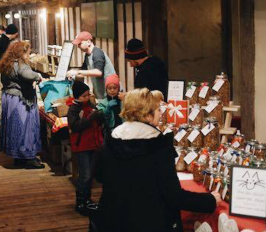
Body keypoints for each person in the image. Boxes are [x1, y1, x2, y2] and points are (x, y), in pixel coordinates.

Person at [93, 88, 219, 232]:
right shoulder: (158, 147)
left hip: (113, 220)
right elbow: (173, 196)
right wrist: (210, 200)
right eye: (158, 110)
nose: (161, 113)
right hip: (149, 222)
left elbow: (100, 176)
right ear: (147, 115)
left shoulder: (111, 141)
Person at [0, 41, 44, 169]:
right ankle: (28, 158)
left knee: (15, 128)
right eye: (27, 53)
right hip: (20, 100)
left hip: (9, 98)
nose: (28, 55)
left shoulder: (7, 63)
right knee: (26, 128)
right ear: (21, 52)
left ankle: (18, 158)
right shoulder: (20, 64)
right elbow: (27, 74)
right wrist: (38, 76)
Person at [67, 81, 104, 216]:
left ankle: (87, 200)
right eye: (84, 96)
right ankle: (81, 202)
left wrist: (100, 116)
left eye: (88, 95)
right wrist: (90, 118)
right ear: (77, 97)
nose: (87, 98)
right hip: (82, 146)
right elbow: (75, 126)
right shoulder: (74, 109)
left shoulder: (89, 105)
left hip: (93, 144)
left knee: (90, 175)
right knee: (85, 175)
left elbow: (96, 120)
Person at [66, 31, 116, 100]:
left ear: (89, 42)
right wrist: (73, 75)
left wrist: (77, 72)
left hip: (112, 92)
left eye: (80, 43)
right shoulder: (87, 55)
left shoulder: (97, 53)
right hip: (102, 93)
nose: (78, 46)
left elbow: (98, 72)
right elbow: (84, 72)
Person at [0, 23, 19, 132]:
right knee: (0, 97)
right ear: (15, 34)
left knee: (1, 97)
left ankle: (2, 122)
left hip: (0, 71)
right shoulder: (5, 43)